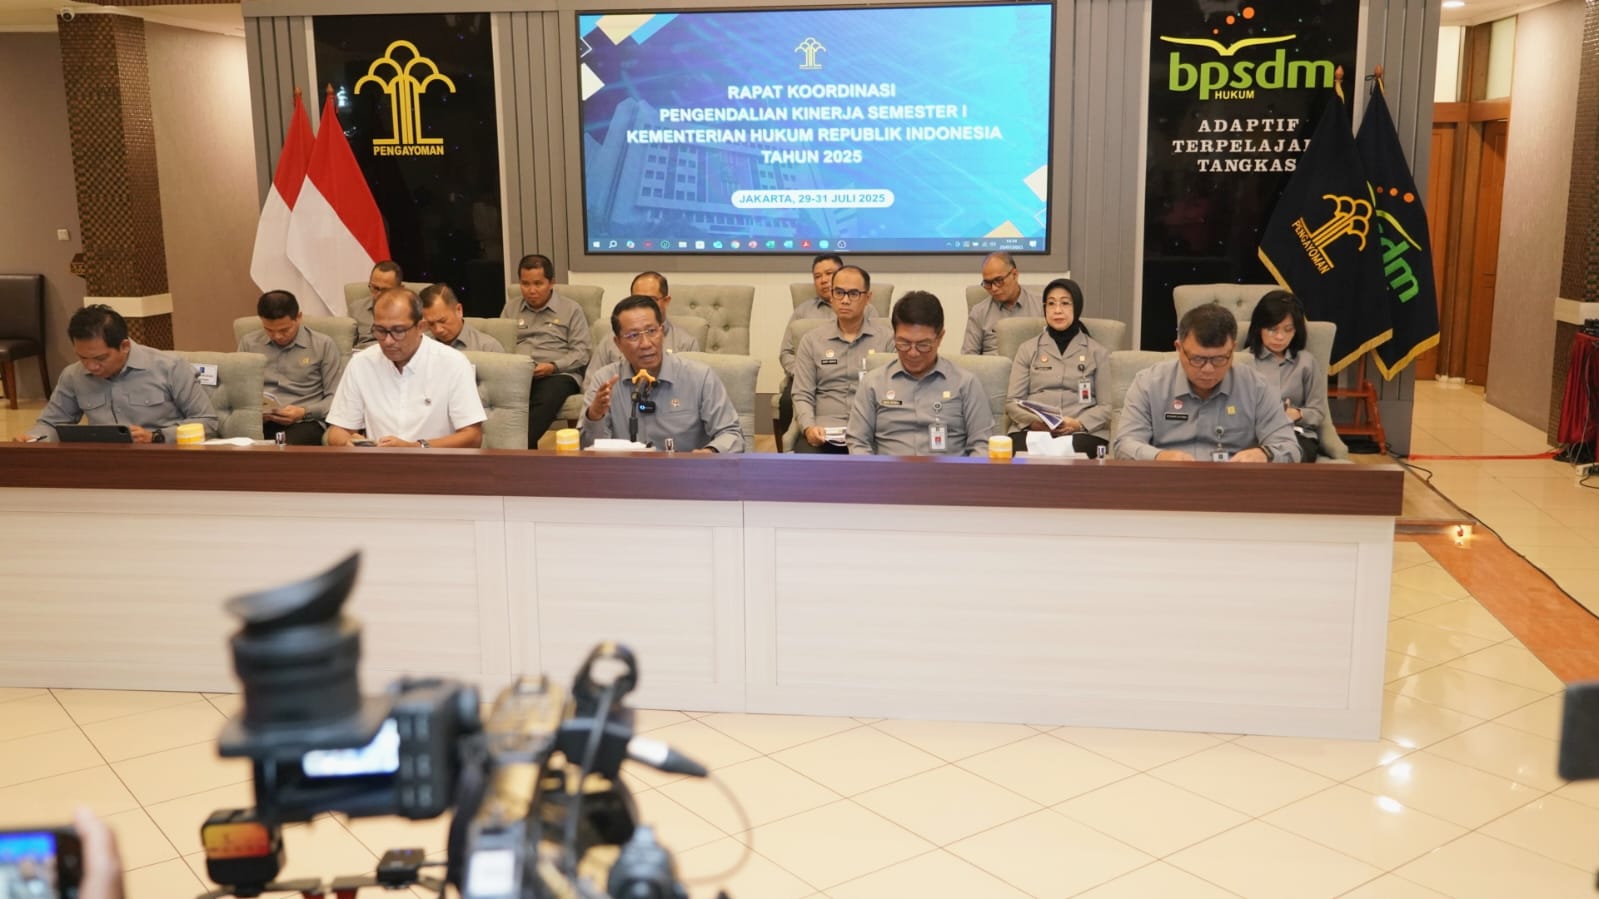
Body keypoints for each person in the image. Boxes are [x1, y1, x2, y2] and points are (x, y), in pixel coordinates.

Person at [1113, 302, 1300, 462]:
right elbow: (1125, 444)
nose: (1208, 369)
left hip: (1232, 481)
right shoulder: (1149, 383)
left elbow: (1289, 447)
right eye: (1197, 359)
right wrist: (1159, 457)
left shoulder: (1256, 386)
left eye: (1219, 359)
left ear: (1233, 349)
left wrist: (1264, 454)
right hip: (1168, 478)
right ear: (1179, 348)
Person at [17, 304, 217, 443]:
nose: (91, 367)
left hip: (162, 459)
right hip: (102, 465)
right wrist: (34, 438)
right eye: (82, 357)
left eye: (100, 358)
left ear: (124, 346)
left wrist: (156, 437)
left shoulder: (170, 367)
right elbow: (51, 423)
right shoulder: (73, 375)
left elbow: (207, 422)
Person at [581, 295, 743, 453]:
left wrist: (709, 453)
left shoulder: (699, 377)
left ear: (662, 332)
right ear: (618, 344)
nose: (646, 344)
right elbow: (587, 450)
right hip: (627, 470)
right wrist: (594, 416)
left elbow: (731, 435)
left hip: (684, 469)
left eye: (651, 331)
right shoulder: (605, 381)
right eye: (633, 335)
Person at [326, 288, 485, 448]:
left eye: (398, 331)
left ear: (420, 327)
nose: (388, 341)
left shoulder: (453, 363)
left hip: (434, 461)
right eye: (380, 330)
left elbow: (473, 437)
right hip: (378, 461)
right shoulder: (362, 363)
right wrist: (347, 442)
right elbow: (338, 430)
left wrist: (414, 448)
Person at [847, 291, 994, 456]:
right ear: (894, 336)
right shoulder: (873, 383)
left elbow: (982, 445)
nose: (913, 353)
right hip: (890, 471)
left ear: (940, 338)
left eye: (923, 345)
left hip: (947, 471)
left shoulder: (965, 384)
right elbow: (858, 442)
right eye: (903, 343)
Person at [791, 264, 893, 453]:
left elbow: (893, 393)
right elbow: (802, 393)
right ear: (831, 295)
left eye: (853, 294)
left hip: (871, 433)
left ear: (868, 298)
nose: (845, 300)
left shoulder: (887, 340)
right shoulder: (812, 341)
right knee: (805, 464)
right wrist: (809, 427)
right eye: (839, 293)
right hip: (823, 433)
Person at [1004, 278, 1110, 456]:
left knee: (1077, 450)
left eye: (1065, 303)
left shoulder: (1097, 352)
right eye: (1051, 304)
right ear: (1044, 308)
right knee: (1020, 449)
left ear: (1077, 307)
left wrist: (1077, 424)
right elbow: (1012, 402)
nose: (1057, 310)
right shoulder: (1027, 349)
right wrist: (1037, 423)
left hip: (1081, 432)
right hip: (1034, 430)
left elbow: (1106, 406)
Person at [502, 253, 591, 446]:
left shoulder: (571, 309)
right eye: (525, 284)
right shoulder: (511, 308)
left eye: (538, 284)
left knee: (546, 397)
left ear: (551, 283)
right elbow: (502, 346)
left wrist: (552, 366)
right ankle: (524, 450)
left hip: (558, 374)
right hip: (519, 373)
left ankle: (517, 446)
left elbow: (582, 352)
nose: (531, 290)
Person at [237, 290, 345, 445]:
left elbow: (336, 398)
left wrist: (304, 412)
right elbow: (239, 391)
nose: (277, 336)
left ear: (299, 317)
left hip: (304, 422)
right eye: (269, 330)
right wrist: (253, 411)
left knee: (284, 450)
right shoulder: (249, 343)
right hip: (260, 421)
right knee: (236, 447)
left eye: (284, 330)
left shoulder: (322, 345)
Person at [1242, 289, 1328, 463]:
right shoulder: (1243, 361)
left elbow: (1318, 412)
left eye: (1288, 330)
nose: (1280, 337)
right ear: (1259, 328)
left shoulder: (1306, 362)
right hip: (1253, 435)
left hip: (1296, 434)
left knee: (1285, 455)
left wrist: (1295, 414)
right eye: (1272, 329)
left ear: (1296, 331)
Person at [774, 253, 844, 439]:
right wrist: (802, 373)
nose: (823, 280)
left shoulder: (863, 310)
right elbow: (786, 352)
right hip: (805, 376)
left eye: (829, 273)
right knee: (787, 402)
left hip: (846, 378)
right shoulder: (803, 311)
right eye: (817, 276)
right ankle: (794, 445)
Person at [587, 271, 699, 375]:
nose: (644, 306)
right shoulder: (612, 341)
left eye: (651, 300)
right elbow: (591, 383)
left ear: (666, 301)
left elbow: (693, 384)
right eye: (638, 299)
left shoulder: (686, 343)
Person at [963, 251, 1042, 355]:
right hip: (993, 364)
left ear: (1014, 275)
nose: (994, 288)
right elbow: (969, 356)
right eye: (987, 283)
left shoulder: (1041, 306)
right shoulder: (979, 312)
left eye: (999, 280)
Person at [420, 283, 506, 353]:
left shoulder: (487, 348)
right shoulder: (421, 345)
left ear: (458, 310)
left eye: (442, 321)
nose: (438, 330)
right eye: (431, 324)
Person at [350, 260, 403, 350]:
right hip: (363, 354)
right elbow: (348, 345)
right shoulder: (356, 309)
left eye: (385, 290)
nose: (379, 294)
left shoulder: (410, 311)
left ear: (400, 289)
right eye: (375, 288)